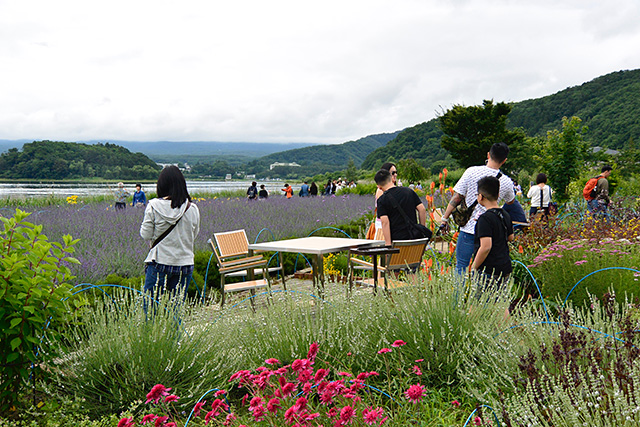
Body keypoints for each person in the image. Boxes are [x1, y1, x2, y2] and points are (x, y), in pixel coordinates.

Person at [440, 142, 516, 275]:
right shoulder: (507, 181)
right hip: (492, 233)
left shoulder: (471, 171)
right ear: (504, 160)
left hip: (469, 229)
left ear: (488, 154)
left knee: (462, 267)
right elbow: (511, 201)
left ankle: (461, 296)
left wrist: (444, 218)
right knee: (485, 271)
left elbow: (457, 197)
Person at [140, 166, 200, 302]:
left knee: (151, 307)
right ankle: (175, 324)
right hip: (184, 263)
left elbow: (145, 235)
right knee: (176, 308)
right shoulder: (192, 208)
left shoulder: (153, 206)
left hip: (159, 260)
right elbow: (194, 235)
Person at [375, 169, 427, 246]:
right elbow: (422, 209)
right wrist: (421, 229)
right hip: (414, 240)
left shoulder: (382, 200)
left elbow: (385, 222)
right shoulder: (409, 191)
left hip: (398, 243)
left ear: (379, 186)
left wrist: (388, 245)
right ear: (391, 179)